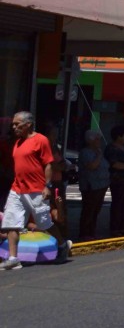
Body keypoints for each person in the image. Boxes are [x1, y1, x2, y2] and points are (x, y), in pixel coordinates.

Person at [0, 112, 71, 270]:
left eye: (17, 124)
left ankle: (62, 244)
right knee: (12, 222)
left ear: (28, 125)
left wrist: (47, 185)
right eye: (13, 124)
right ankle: (13, 258)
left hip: (36, 190)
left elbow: (48, 164)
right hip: (17, 189)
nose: (14, 127)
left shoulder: (41, 140)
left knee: (44, 222)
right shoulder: (18, 142)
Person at [77, 129, 109, 241]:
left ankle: (92, 231)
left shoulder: (98, 151)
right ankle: (84, 232)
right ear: (90, 140)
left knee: (96, 210)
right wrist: (99, 156)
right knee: (88, 210)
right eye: (97, 138)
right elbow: (92, 166)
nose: (99, 140)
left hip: (101, 185)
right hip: (90, 186)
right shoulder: (86, 152)